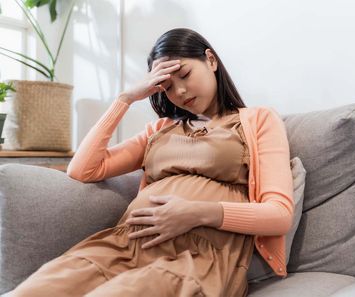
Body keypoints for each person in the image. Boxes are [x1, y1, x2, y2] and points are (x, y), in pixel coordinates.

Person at [9, 28, 294, 297]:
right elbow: (83, 169)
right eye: (167, 86)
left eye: (184, 74)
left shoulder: (258, 120)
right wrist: (125, 99)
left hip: (197, 257)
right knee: (33, 290)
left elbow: (279, 214)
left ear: (210, 60)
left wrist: (197, 213)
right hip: (123, 245)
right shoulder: (159, 130)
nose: (180, 91)